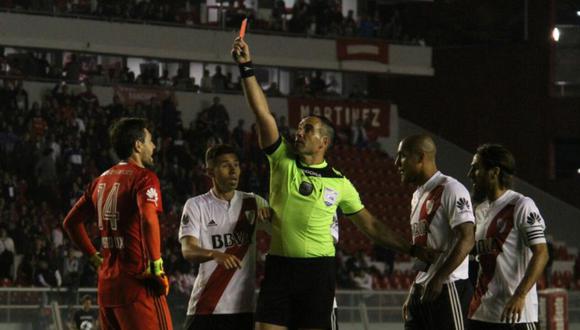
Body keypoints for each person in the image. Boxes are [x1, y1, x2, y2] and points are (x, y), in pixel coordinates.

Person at [231, 37, 436, 330]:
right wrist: (246, 68)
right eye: (299, 127)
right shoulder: (282, 158)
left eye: (308, 129)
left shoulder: (340, 183)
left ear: (323, 142)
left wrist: (410, 249)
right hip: (279, 267)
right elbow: (262, 113)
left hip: (318, 272)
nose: (299, 133)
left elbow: (372, 226)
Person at [63, 117, 173, 330]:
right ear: (137, 145)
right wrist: (156, 267)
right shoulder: (144, 177)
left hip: (108, 289)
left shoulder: (100, 180)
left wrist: (95, 258)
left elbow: (70, 223)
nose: (154, 146)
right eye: (150, 141)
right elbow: (149, 219)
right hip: (138, 285)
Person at [179, 144, 270, 330]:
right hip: (206, 306)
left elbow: (283, 233)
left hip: (243, 308)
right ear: (210, 171)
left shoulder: (254, 202)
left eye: (236, 165)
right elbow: (188, 249)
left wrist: (273, 216)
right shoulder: (196, 205)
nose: (233, 171)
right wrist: (215, 255)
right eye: (225, 165)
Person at [395, 134, 475, 330]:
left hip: (448, 288)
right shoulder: (417, 195)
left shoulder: (452, 189)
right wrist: (415, 288)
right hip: (423, 289)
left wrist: (439, 278)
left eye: (402, 156)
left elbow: (467, 238)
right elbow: (426, 249)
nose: (397, 163)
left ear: (421, 158)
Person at [467, 144, 548, 330]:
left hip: (514, 315)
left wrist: (520, 296)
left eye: (476, 168)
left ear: (494, 172)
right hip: (480, 312)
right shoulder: (480, 210)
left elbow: (541, 253)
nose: (470, 174)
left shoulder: (521, 205)